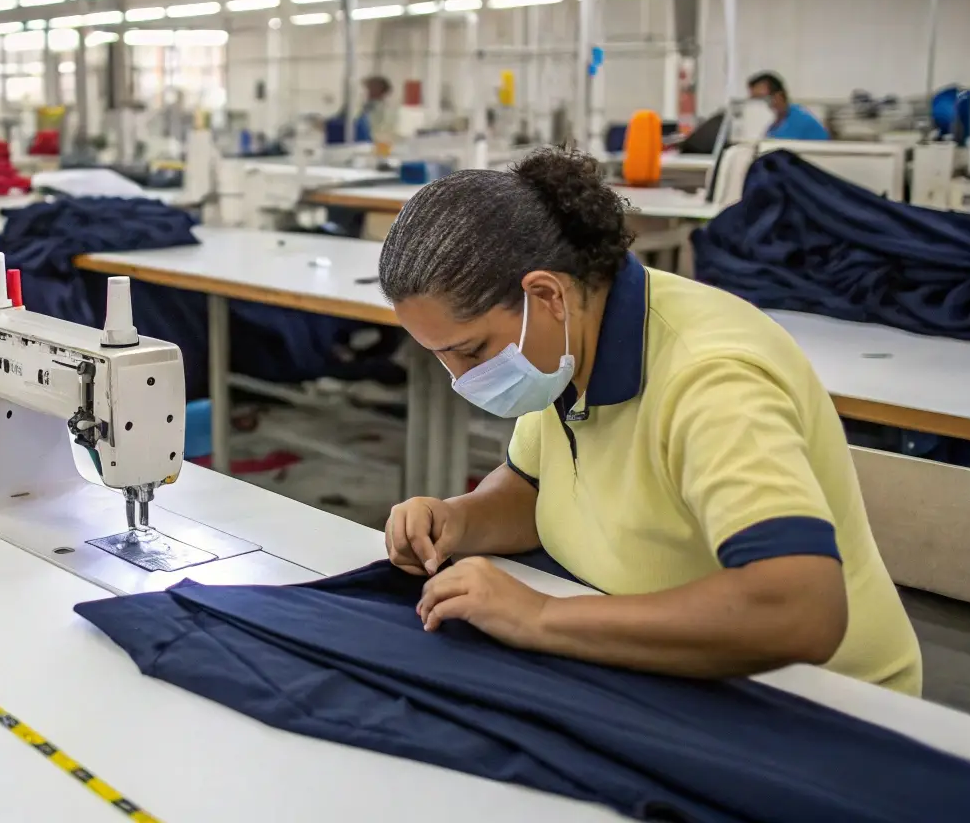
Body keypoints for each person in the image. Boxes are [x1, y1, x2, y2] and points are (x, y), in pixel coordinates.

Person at [378, 149, 921, 694]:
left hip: (815, 698)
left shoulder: (710, 379)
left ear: (545, 295)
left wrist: (538, 616)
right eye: (441, 355)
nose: (460, 377)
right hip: (653, 648)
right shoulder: (571, 336)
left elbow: (799, 609)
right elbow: (533, 489)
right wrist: (457, 520)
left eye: (471, 351)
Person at [748, 71, 830, 140]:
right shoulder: (777, 123)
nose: (759, 105)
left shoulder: (799, 121)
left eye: (762, 98)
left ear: (778, 96)